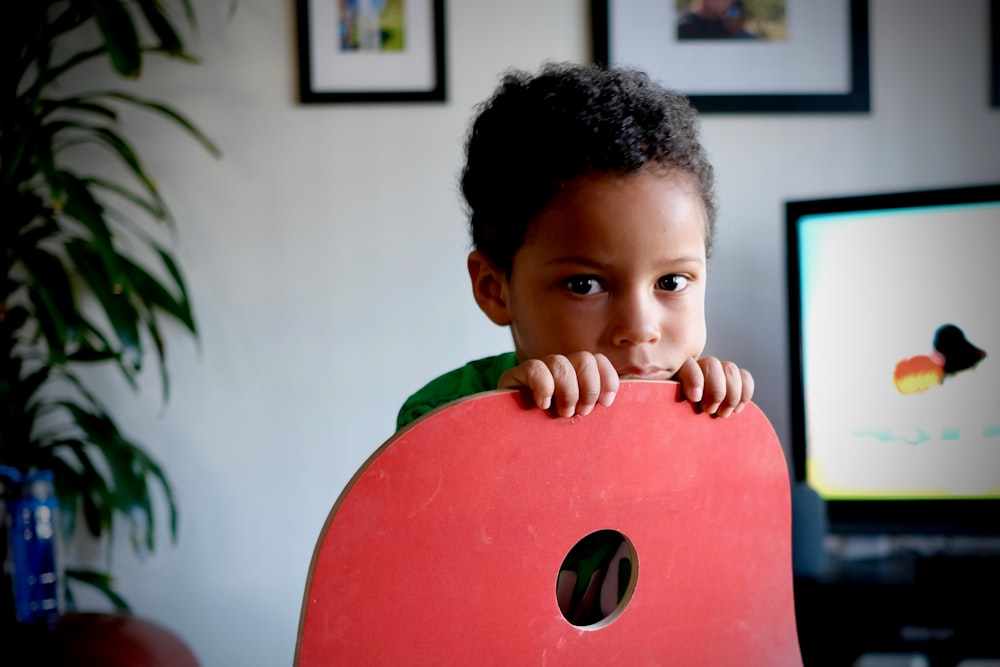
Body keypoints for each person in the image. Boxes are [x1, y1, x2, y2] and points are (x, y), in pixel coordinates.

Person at [395, 62, 754, 625]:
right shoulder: (436, 420)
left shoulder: (701, 418)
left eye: (672, 282)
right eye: (585, 284)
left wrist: (728, 443)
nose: (640, 327)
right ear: (496, 289)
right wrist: (500, 432)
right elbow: (423, 602)